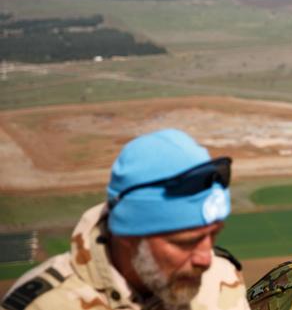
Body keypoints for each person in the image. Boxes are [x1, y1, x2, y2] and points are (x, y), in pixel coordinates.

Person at [2, 129, 251, 310]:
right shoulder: (45, 305)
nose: (205, 259)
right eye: (186, 242)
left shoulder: (221, 279)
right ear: (129, 236)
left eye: (213, 234)